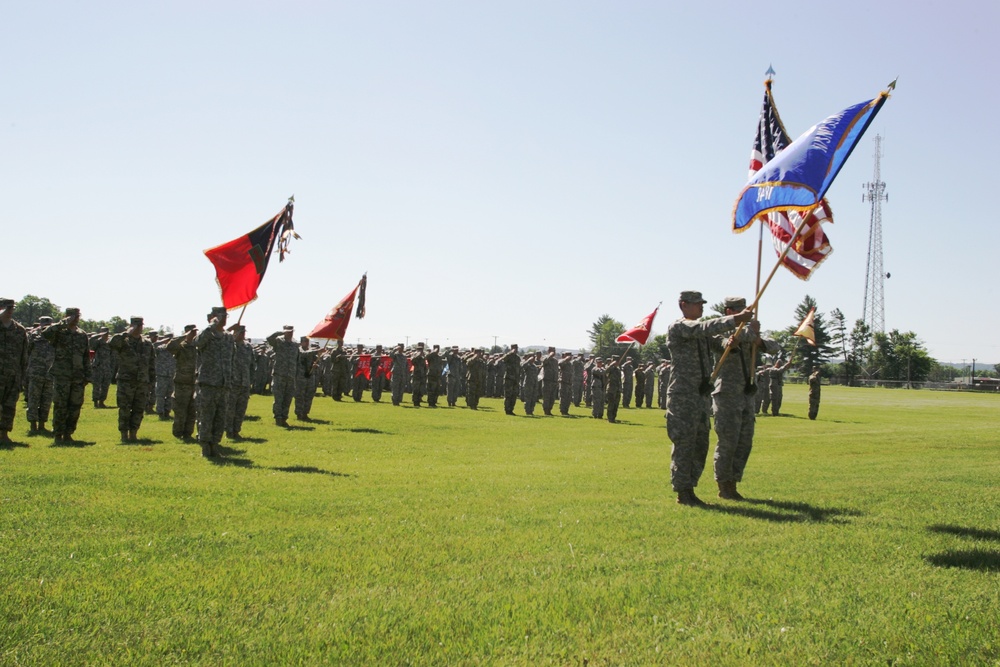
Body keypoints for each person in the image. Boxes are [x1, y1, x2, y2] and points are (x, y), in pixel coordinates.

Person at [666, 290, 752, 507]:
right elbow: (704, 327)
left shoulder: (700, 332)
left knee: (700, 443)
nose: (701, 307)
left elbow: (720, 344)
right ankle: (682, 491)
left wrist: (730, 343)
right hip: (683, 395)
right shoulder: (680, 327)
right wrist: (735, 319)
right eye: (696, 304)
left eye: (702, 303)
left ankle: (690, 487)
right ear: (683, 305)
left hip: (700, 394)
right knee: (685, 443)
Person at [711, 297, 782, 501]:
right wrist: (749, 333)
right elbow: (726, 343)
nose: (745, 314)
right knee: (728, 441)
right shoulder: (720, 329)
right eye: (740, 311)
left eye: (746, 310)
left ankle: (733, 482)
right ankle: (723, 485)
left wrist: (757, 339)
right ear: (729, 311)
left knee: (744, 441)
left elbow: (775, 346)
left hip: (746, 393)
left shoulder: (752, 332)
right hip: (727, 393)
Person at [41, 307, 92, 443]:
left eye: (77, 316)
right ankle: (58, 434)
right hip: (62, 375)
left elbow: (85, 356)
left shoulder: (82, 335)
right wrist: (61, 323)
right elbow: (45, 335)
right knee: (60, 405)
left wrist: (88, 375)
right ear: (67, 316)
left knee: (75, 405)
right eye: (73, 316)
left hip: (78, 376)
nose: (76, 319)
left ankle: (68, 433)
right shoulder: (60, 332)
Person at [108, 317, 155, 443]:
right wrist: (126, 333)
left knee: (139, 409)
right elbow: (111, 343)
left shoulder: (147, 343)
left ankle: (133, 433)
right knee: (124, 408)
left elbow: (151, 364)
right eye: (136, 325)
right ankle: (124, 434)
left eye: (140, 325)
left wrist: (151, 382)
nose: (139, 328)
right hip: (126, 381)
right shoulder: (124, 341)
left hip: (142, 381)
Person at [0, 298, 28, 443]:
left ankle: (4, 434)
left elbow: (24, 355)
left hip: (13, 375)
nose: (10, 310)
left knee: (9, 406)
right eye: (7, 307)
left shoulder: (19, 330)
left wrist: (22, 376)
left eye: (12, 308)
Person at [167, 325, 198, 440]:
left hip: (194, 383)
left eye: (195, 332)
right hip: (182, 382)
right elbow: (169, 347)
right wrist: (184, 336)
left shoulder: (196, 346)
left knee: (192, 411)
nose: (194, 334)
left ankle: (188, 433)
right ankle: (178, 433)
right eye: (192, 331)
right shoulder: (181, 346)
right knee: (180, 410)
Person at [25, 316, 55, 435]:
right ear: (40, 324)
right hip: (36, 372)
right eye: (44, 324)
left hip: (50, 373)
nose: (46, 326)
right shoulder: (33, 335)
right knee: (33, 399)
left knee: (46, 399)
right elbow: (27, 350)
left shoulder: (54, 335)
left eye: (48, 324)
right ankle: (33, 425)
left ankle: (42, 424)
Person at [267, 326, 299, 426]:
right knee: (279, 398)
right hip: (279, 375)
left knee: (288, 398)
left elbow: (297, 359)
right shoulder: (279, 342)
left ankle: (284, 417)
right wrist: (280, 332)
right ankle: (278, 418)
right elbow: (269, 339)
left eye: (292, 332)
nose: (290, 334)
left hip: (291, 375)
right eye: (288, 332)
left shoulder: (294, 344)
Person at [227, 325, 254, 438]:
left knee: (241, 409)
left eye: (243, 332)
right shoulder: (229, 345)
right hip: (233, 382)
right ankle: (229, 431)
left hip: (245, 382)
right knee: (230, 408)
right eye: (239, 332)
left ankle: (236, 430)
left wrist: (250, 380)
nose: (242, 334)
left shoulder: (248, 347)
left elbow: (252, 365)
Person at [294, 337, 321, 420]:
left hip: (310, 375)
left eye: (308, 341)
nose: (307, 343)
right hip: (300, 376)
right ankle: (299, 413)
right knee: (300, 395)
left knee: (309, 395)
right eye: (305, 341)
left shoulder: (311, 352)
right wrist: (316, 350)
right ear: (301, 342)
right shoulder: (298, 350)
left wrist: (315, 365)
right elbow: (304, 354)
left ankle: (305, 413)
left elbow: (316, 361)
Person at [89, 327, 112, 408]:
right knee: (97, 385)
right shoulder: (97, 341)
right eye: (105, 333)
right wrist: (100, 335)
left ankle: (102, 402)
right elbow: (91, 343)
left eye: (107, 333)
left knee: (105, 385)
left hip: (107, 367)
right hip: (98, 366)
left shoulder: (109, 342)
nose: (106, 334)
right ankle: (95, 402)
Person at [501, 344, 520, 415]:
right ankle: (507, 409)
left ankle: (511, 409)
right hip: (508, 378)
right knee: (508, 395)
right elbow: (503, 359)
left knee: (514, 395)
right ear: (511, 348)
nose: (516, 349)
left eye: (516, 348)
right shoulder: (508, 356)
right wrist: (510, 353)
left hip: (515, 379)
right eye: (514, 348)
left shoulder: (518, 358)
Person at [540, 347, 559, 416]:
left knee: (552, 397)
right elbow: (544, 362)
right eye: (552, 351)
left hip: (554, 381)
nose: (553, 352)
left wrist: (557, 380)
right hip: (547, 381)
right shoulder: (545, 357)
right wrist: (549, 356)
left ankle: (550, 410)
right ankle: (546, 410)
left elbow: (557, 371)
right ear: (549, 351)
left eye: (554, 351)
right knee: (546, 397)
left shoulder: (555, 361)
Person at [521, 351, 541, 416]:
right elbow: (522, 366)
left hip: (534, 384)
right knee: (528, 398)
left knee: (533, 398)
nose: (533, 358)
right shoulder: (526, 364)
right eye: (532, 357)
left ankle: (531, 410)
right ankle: (527, 411)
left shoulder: (534, 366)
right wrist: (528, 360)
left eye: (534, 357)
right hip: (528, 383)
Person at [605, 358, 622, 424]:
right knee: (611, 404)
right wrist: (611, 365)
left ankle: (614, 417)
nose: (617, 363)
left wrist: (620, 388)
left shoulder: (618, 369)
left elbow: (619, 380)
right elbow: (605, 372)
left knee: (616, 404)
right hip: (611, 389)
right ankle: (610, 418)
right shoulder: (610, 368)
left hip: (617, 389)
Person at [558, 352, 573, 416]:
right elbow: (560, 364)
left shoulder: (570, 364)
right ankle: (562, 410)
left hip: (569, 382)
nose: (570, 357)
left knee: (568, 398)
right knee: (563, 397)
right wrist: (566, 359)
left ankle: (566, 410)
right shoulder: (562, 361)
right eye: (569, 356)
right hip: (564, 382)